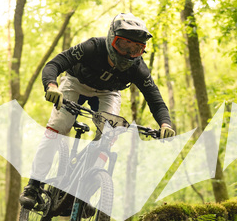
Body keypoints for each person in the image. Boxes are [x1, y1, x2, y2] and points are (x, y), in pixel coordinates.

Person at [19, 13, 176, 208]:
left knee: (108, 136)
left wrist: (165, 124)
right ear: (111, 39)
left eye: (136, 49)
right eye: (123, 45)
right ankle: (33, 185)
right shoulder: (92, 47)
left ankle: (86, 191)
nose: (128, 53)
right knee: (58, 127)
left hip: (108, 93)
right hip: (75, 84)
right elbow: (55, 64)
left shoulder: (138, 68)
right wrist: (51, 86)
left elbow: (155, 99)